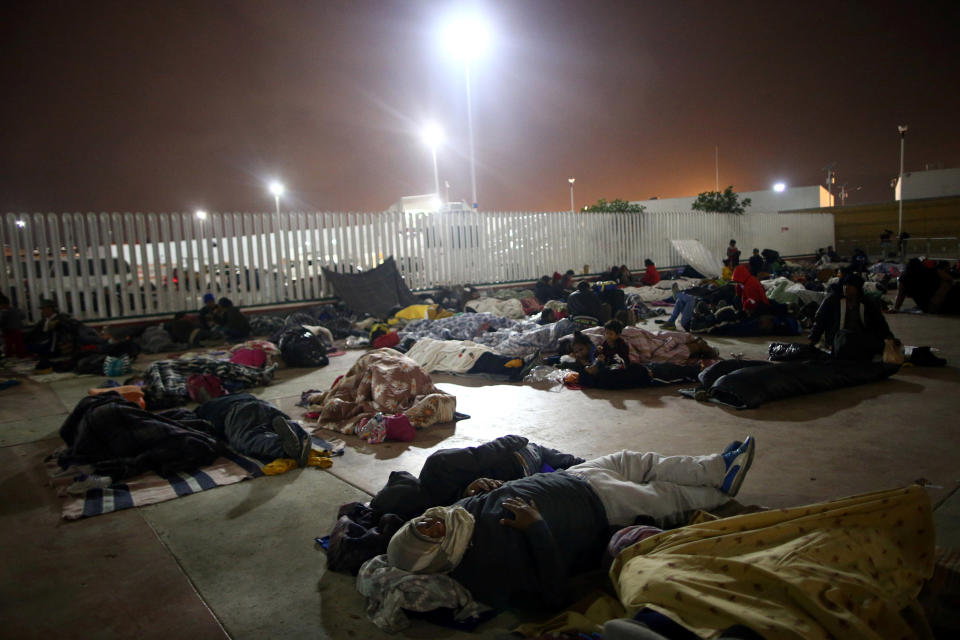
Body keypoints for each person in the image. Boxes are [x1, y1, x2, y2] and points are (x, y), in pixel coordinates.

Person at [385, 438, 757, 609]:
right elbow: (551, 595)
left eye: (420, 522)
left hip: (576, 477)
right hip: (598, 508)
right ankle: (720, 493)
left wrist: (481, 488)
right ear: (433, 556)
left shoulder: (456, 515)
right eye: (427, 533)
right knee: (667, 498)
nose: (432, 521)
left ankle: (716, 468)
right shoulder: (484, 571)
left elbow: (493, 497)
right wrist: (535, 528)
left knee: (635, 460)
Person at [194, 393, 312, 466]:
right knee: (283, 423)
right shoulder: (233, 395)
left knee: (247, 437)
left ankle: (283, 447)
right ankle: (300, 436)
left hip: (238, 413)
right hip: (263, 405)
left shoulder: (202, 409)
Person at [809, 272, 896, 361]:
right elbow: (820, 321)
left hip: (861, 339)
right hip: (838, 340)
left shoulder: (867, 304)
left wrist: (889, 338)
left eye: (850, 286)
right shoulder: (832, 301)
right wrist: (813, 340)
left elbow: (880, 323)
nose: (846, 288)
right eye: (845, 285)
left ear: (857, 289)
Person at [892, 258, 960, 315]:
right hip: (940, 304)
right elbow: (949, 279)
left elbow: (900, 296)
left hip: (929, 307)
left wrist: (896, 308)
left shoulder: (904, 279)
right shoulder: (931, 271)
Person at [0, 292, 27, 358]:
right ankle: (21, 356)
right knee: (19, 346)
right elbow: (23, 316)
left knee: (9, 347)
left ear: (3, 304)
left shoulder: (4, 312)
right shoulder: (16, 309)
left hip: (8, 331)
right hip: (18, 330)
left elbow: (1, 322)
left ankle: (9, 357)